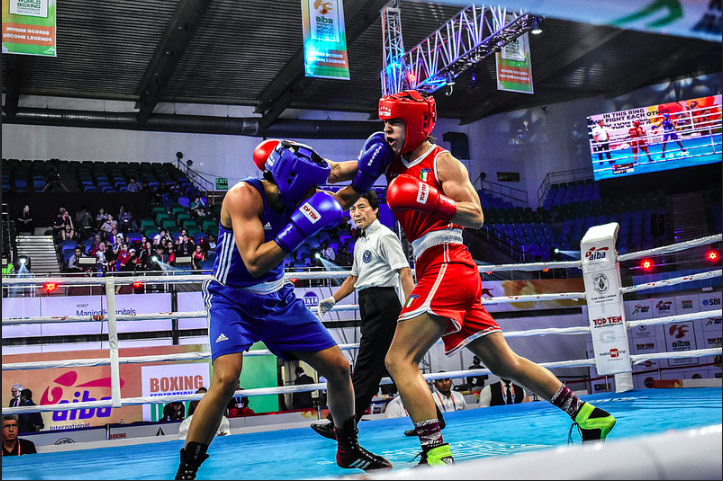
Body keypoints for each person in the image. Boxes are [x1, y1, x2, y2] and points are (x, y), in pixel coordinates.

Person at [378, 90, 616, 466]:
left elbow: (476, 215)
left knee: (398, 359)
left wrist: (433, 199)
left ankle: (436, 455)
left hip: (446, 263)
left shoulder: (443, 163)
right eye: (385, 123)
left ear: (416, 125)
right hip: (439, 267)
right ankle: (589, 416)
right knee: (505, 365)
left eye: (394, 123)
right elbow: (345, 175)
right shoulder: (390, 161)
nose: (387, 130)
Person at [174, 137, 395, 479]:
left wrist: (373, 166)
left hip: (278, 298)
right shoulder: (242, 197)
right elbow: (253, 263)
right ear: (294, 183)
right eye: (312, 189)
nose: (316, 195)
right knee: (226, 379)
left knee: (338, 367)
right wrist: (299, 228)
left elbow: (337, 179)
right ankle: (187, 468)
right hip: (233, 299)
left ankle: (347, 448)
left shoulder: (295, 190)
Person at [311, 190, 415, 439]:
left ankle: (341, 423)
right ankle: (432, 419)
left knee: (367, 366)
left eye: (362, 207)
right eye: (353, 209)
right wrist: (333, 299)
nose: (356, 213)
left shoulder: (385, 236)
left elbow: (404, 272)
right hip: (369, 302)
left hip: (384, 302)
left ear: (375, 209)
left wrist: (412, 307)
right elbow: (354, 277)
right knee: (397, 365)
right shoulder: (360, 241)